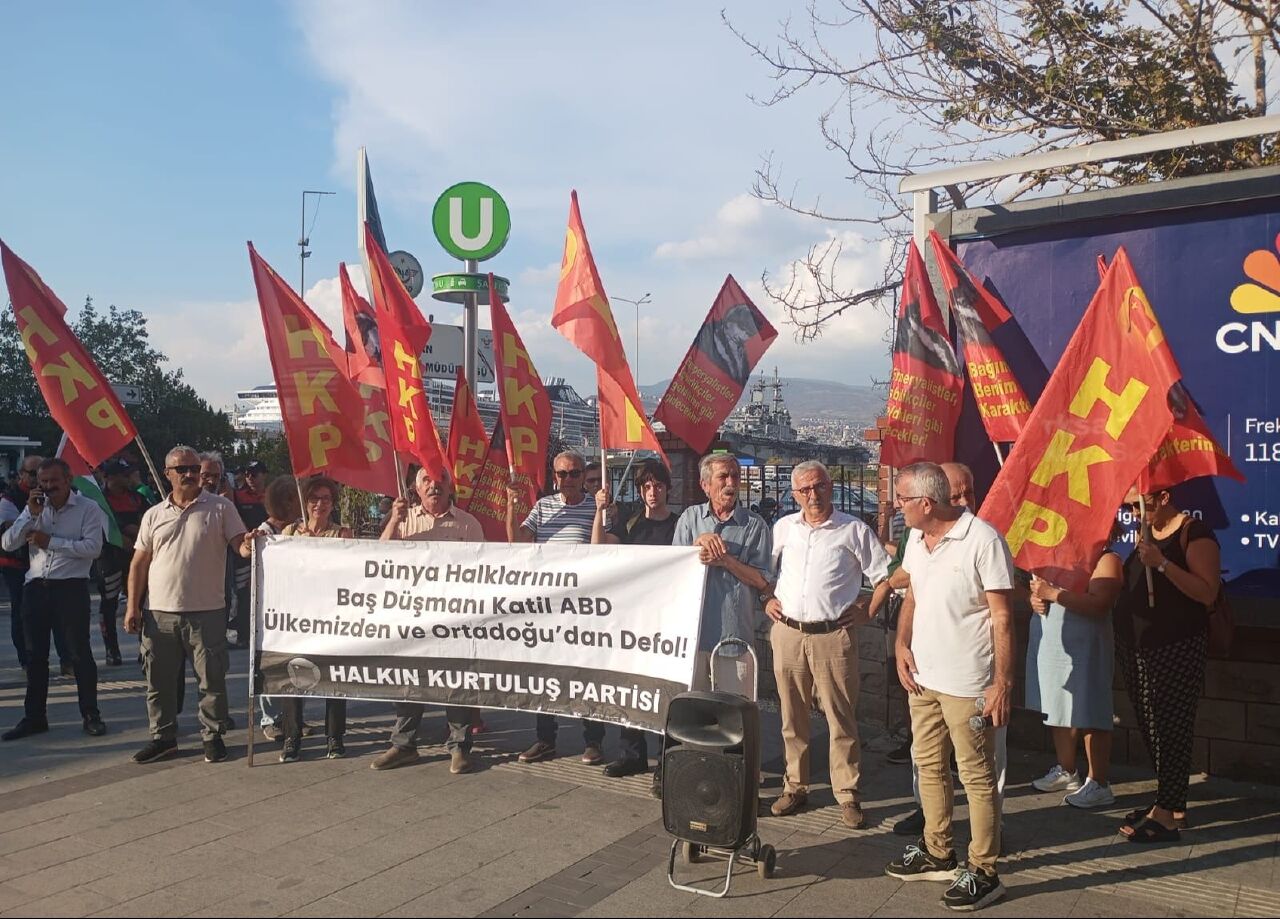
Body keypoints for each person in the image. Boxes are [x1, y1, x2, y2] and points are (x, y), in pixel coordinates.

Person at [884, 462, 1013, 912]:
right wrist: (901, 644)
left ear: (926, 502)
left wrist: (1002, 683)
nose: (896, 506)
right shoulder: (917, 541)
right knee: (929, 766)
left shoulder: (983, 540)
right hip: (924, 678)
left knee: (975, 775)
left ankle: (984, 869)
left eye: (902, 499)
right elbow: (914, 596)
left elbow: (1001, 616)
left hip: (967, 681)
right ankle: (938, 849)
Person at [766, 460, 892, 828]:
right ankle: (795, 785)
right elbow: (766, 573)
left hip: (833, 637)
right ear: (794, 494)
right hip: (788, 632)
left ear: (830, 487)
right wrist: (766, 600)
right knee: (792, 715)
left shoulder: (853, 530)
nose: (813, 495)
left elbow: (886, 576)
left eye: (819, 486)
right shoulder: (784, 528)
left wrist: (868, 610)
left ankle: (848, 793)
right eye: (804, 489)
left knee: (841, 718)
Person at [125, 446, 247, 764]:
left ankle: (213, 736)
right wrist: (133, 608)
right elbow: (139, 563)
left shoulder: (221, 508)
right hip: (159, 612)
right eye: (182, 470)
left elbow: (241, 546)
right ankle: (163, 738)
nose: (190, 475)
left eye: (194, 468)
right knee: (159, 681)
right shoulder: (153, 514)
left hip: (208, 611)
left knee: (212, 680)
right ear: (168, 474)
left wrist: (252, 542)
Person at [1114, 486, 1220, 843]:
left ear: (1162, 498)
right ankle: (1168, 802)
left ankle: (1170, 814)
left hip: (1177, 647)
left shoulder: (1194, 533)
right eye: (1127, 507)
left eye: (1137, 504)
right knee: (1153, 728)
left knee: (1172, 726)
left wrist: (1161, 563)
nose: (1131, 513)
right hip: (1139, 649)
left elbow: (1207, 592)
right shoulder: (1146, 534)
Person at [371, 466, 484, 774]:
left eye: (440, 480)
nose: (434, 486)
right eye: (426, 481)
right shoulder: (404, 519)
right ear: (415, 488)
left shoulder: (468, 525)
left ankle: (459, 747)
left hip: (455, 619)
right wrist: (394, 519)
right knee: (410, 681)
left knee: (456, 682)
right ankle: (404, 745)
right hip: (412, 618)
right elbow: (379, 560)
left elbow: (484, 571)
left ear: (451, 487)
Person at [507, 450, 607, 765]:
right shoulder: (542, 507)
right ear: (554, 477)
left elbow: (601, 551)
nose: (568, 480)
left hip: (583, 605)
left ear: (583, 476)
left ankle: (593, 741)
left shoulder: (598, 507)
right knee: (544, 673)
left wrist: (601, 512)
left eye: (574, 473)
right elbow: (516, 543)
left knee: (587, 673)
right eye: (562, 474)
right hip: (547, 605)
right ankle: (545, 738)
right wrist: (511, 509)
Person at [0, 458, 108, 740]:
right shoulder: (35, 508)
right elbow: (8, 543)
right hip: (36, 588)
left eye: (54, 482)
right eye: (43, 482)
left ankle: (90, 714)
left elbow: (93, 548)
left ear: (68, 480)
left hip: (70, 588)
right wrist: (29, 515)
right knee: (36, 656)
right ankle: (35, 717)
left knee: (79, 654)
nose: (48, 488)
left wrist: (53, 542)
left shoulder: (88, 508)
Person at [591, 459, 679, 781]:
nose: (652, 492)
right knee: (631, 687)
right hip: (634, 619)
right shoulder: (630, 524)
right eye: (646, 487)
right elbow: (598, 548)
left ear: (668, 489)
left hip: (667, 619)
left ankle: (666, 760)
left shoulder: (680, 525)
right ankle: (632, 754)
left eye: (657, 486)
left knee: (666, 691)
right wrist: (598, 511)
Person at [1026, 525, 1123, 809]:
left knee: (1090, 709)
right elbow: (1038, 594)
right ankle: (1067, 769)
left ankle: (1098, 781)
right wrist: (1035, 598)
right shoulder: (1056, 559)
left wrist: (1053, 594)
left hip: (1087, 645)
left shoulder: (1108, 559)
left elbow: (1100, 603)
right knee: (1057, 703)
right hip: (1053, 641)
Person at [673, 453, 772, 698]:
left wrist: (725, 560)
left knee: (737, 716)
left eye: (735, 476)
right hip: (692, 639)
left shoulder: (755, 525)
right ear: (705, 486)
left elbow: (762, 580)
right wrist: (697, 545)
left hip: (734, 637)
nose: (731, 482)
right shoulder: (689, 519)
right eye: (723, 476)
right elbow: (673, 573)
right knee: (691, 711)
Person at [277, 476, 353, 762]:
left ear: (333, 503)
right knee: (294, 677)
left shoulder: (343, 534)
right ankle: (291, 737)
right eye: (314, 499)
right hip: (296, 618)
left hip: (332, 616)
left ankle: (335, 737)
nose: (320, 504)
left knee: (335, 678)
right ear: (305, 501)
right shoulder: (289, 533)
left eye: (326, 499)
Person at [238, 474, 300, 741]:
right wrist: (249, 543)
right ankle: (270, 718)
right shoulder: (265, 531)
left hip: (296, 608)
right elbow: (244, 550)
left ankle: (295, 718)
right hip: (269, 609)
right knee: (270, 664)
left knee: (296, 664)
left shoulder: (299, 529)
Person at [97, 458, 150, 666]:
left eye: (129, 473)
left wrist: (135, 533)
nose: (129, 477)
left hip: (135, 558)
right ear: (108, 477)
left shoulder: (137, 498)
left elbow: (147, 521)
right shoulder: (99, 500)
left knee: (139, 601)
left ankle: (144, 648)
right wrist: (123, 533)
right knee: (108, 604)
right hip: (108, 558)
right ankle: (112, 651)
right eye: (124, 474)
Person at [1, 454, 43, 671]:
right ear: (21, 475)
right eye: (33, 473)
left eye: (41, 472)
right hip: (15, 564)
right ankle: (25, 658)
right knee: (21, 611)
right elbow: (9, 532)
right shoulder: (9, 499)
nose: (38, 478)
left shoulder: (53, 494)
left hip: (41, 564)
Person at [230, 459, 269, 649]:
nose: (250, 478)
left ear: (264, 475)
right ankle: (243, 635)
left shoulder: (272, 496)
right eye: (247, 474)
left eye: (254, 474)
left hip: (270, 553)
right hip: (244, 552)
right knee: (244, 593)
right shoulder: (237, 496)